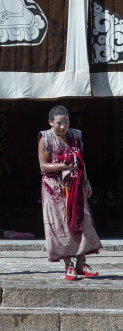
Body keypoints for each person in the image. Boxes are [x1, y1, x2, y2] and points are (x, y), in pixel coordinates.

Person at [38, 105, 102, 280]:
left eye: (66, 122)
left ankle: (81, 263)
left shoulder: (76, 135)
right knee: (61, 227)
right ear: (50, 122)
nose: (62, 126)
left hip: (75, 185)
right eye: (59, 123)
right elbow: (43, 166)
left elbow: (81, 161)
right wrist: (63, 167)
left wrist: (86, 182)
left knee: (83, 222)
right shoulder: (46, 138)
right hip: (54, 188)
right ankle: (68, 266)